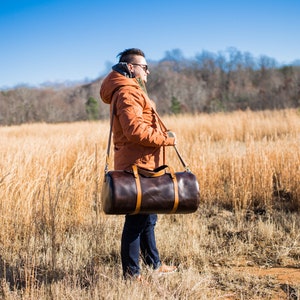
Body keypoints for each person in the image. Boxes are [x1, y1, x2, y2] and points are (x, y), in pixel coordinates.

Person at [100, 48, 178, 280]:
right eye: (144, 67)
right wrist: (167, 139)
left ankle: (154, 264)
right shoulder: (127, 92)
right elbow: (134, 131)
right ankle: (132, 275)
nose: (148, 72)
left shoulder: (131, 90)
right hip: (137, 166)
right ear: (131, 68)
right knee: (136, 220)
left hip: (144, 164)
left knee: (148, 218)